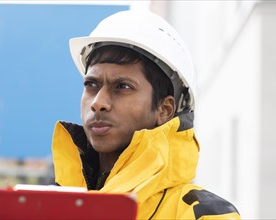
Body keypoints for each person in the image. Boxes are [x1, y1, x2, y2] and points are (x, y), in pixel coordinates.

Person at [51, 10, 241, 219]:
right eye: (91, 85)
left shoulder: (203, 215)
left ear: (164, 110)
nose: (98, 103)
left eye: (122, 86)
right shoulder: (49, 206)